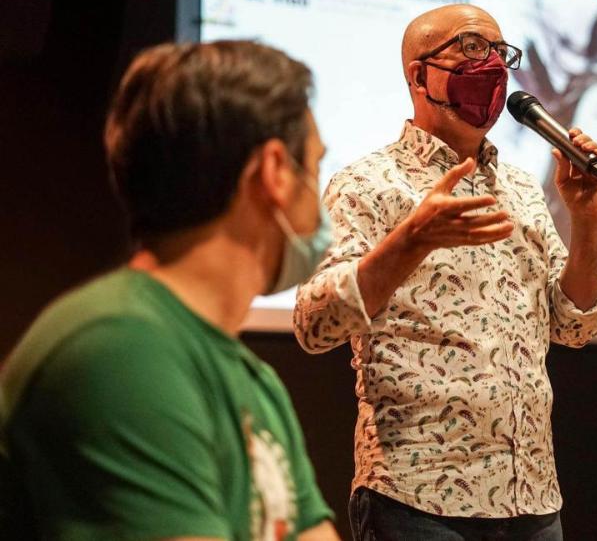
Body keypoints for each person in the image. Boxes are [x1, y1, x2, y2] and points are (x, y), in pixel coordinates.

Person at [293, 4, 597, 540]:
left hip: (531, 496)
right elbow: (314, 324)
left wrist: (587, 217)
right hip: (418, 497)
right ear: (419, 74)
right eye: (470, 47)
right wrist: (409, 242)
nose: (489, 63)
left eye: (499, 51)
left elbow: (575, 325)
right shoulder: (368, 183)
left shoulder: (522, 189)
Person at [0, 40, 341, 540]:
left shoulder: (253, 381)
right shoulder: (121, 350)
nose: (321, 200)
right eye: (314, 167)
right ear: (273, 173)